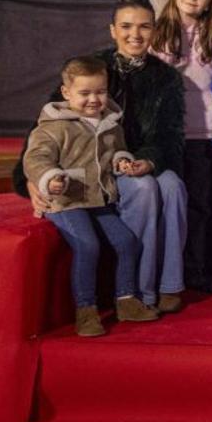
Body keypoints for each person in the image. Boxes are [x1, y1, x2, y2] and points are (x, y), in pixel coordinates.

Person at [15, 0, 189, 314]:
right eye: (126, 26)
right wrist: (30, 178)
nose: (135, 34)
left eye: (144, 26)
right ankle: (136, 291)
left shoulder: (167, 78)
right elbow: (49, 122)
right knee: (145, 189)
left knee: (173, 186)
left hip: (140, 159)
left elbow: (169, 137)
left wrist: (148, 161)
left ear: (154, 31)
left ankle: (170, 284)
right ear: (113, 30)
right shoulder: (90, 67)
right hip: (99, 165)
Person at [22, 57, 159, 336]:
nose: (93, 100)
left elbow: (117, 150)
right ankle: (86, 310)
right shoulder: (52, 126)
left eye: (100, 92)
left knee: (126, 241)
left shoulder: (110, 123)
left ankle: (126, 301)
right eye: (85, 93)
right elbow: (35, 159)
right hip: (65, 202)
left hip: (99, 200)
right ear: (66, 93)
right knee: (88, 246)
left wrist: (122, 161)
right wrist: (49, 177)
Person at [150, 0, 212, 291]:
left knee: (202, 205)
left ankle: (197, 271)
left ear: (210, 1)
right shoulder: (157, 32)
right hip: (171, 135)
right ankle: (168, 272)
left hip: (207, 133)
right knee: (171, 206)